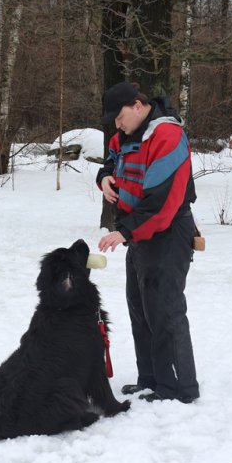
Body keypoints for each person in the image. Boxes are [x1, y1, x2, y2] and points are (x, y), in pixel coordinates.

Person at [96, 81, 199, 404]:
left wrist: (125, 231)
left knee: (165, 310)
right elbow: (113, 156)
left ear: (138, 106)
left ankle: (179, 389)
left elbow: (162, 202)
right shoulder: (129, 134)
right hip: (140, 234)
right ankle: (151, 379)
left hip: (167, 232)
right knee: (140, 307)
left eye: (120, 116)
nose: (117, 124)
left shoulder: (167, 137)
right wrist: (104, 177)